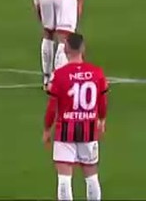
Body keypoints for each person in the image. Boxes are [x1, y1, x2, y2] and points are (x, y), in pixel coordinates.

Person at [43, 32, 107, 201]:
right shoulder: (97, 73)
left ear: (66, 49)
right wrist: (102, 119)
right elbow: (103, 101)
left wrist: (47, 129)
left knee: (64, 178)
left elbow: (52, 107)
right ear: (83, 48)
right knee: (91, 176)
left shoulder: (59, 75)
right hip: (89, 129)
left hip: (65, 131)